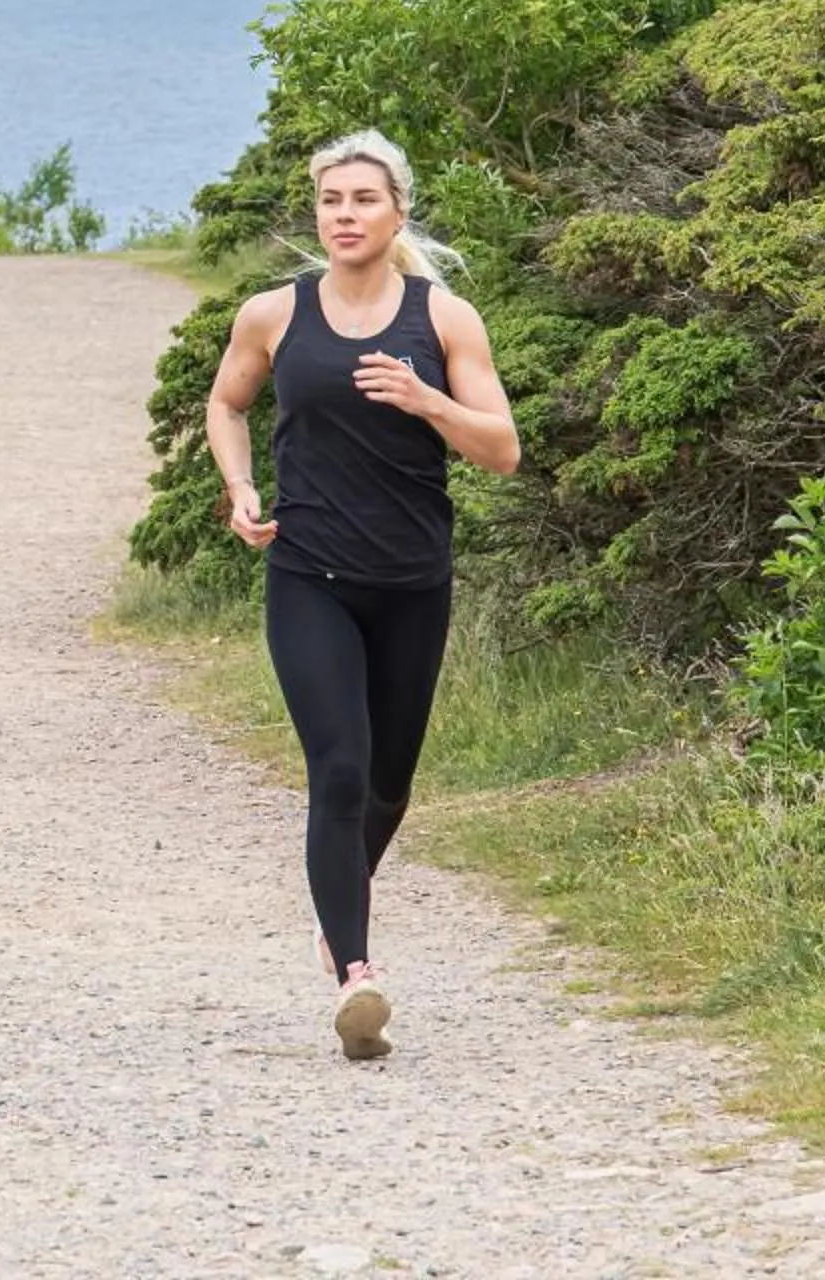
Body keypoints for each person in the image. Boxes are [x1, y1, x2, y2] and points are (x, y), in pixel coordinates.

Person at [203, 130, 519, 1060]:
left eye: (363, 201)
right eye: (331, 201)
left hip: (412, 583)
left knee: (389, 785)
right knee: (338, 770)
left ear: (398, 213)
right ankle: (356, 972)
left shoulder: (446, 320)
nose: (345, 216)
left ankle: (333, 908)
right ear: (318, 213)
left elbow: (501, 450)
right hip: (309, 575)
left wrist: (427, 402)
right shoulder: (272, 315)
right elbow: (227, 404)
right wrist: (240, 487)